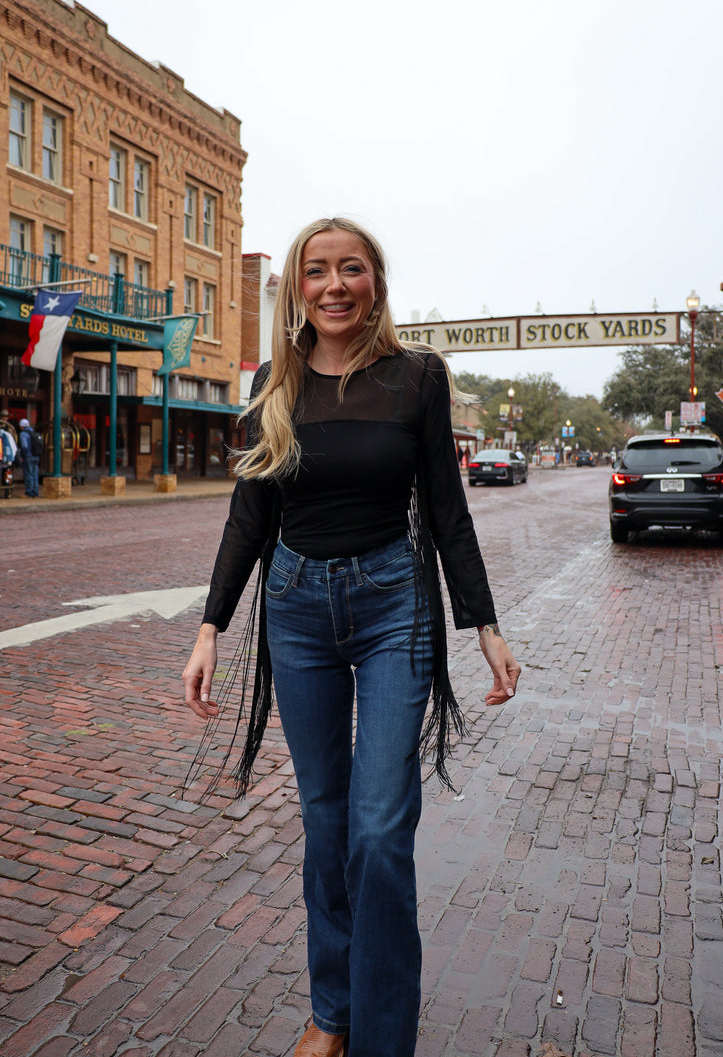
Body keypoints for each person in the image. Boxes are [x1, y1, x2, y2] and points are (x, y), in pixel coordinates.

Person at [182, 218, 521, 1057]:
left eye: (352, 270)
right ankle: (331, 1015)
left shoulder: (417, 378)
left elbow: (446, 507)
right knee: (326, 822)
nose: (334, 286)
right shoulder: (276, 382)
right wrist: (210, 626)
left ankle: (382, 1034)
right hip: (296, 610)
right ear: (297, 287)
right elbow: (251, 512)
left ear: (375, 280)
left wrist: (484, 624)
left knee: (377, 829)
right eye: (316, 272)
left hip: (392, 606)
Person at [18, 418, 39, 497]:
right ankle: (35, 491)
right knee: (35, 474)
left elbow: (24, 446)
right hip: (36, 456)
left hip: (28, 456)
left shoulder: (23, 433)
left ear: (21, 426)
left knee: (28, 474)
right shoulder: (33, 432)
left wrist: (23, 456)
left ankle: (29, 492)